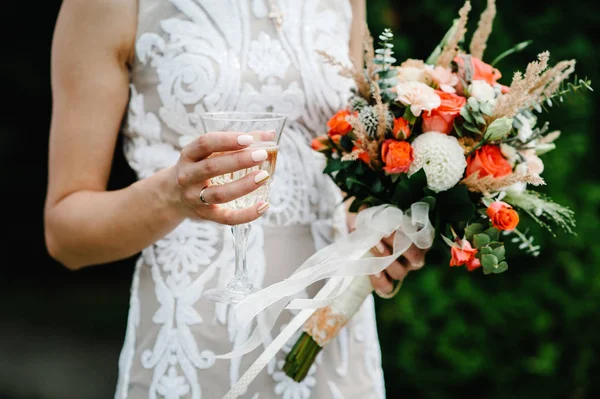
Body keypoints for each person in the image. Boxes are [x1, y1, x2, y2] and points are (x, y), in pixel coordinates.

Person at [44, 0, 426, 397]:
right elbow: (65, 234)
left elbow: (347, 165)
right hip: (198, 347)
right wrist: (172, 196)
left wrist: (369, 226)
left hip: (331, 340)